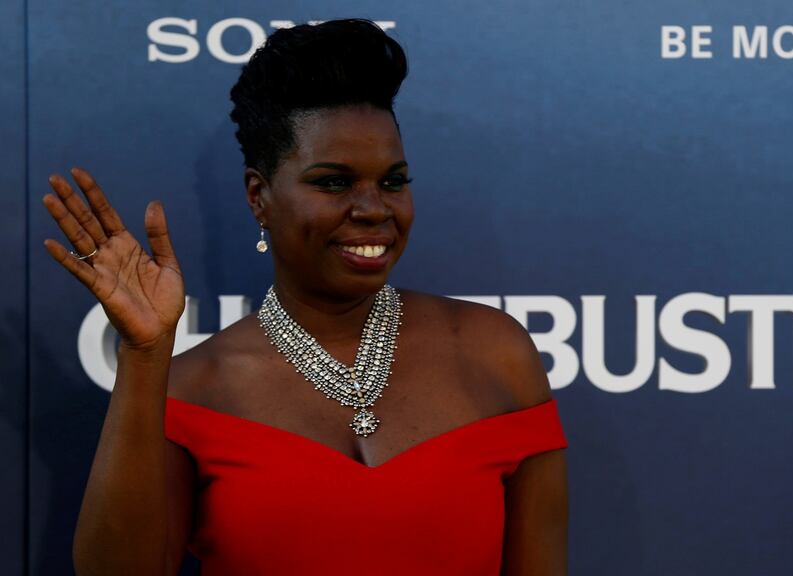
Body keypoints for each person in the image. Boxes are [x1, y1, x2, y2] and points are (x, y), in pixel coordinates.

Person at [44, 18, 568, 575]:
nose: (373, 210)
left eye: (393, 180)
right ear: (259, 196)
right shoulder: (195, 387)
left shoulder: (497, 354)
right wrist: (145, 357)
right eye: (334, 182)